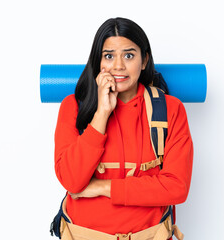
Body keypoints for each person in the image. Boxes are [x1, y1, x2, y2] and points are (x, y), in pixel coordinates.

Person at [54, 17, 193, 240]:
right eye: (109, 56)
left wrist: (102, 187)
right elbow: (72, 181)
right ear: (97, 61)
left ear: (144, 60)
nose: (118, 66)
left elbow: (177, 187)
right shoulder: (73, 107)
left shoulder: (170, 110)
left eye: (129, 55)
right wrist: (101, 114)